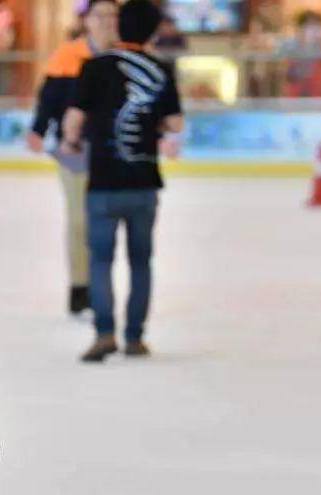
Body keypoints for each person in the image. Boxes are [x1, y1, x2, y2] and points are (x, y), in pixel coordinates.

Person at [61, 0, 184, 362]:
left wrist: (72, 142)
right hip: (144, 182)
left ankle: (104, 332)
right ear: (153, 30)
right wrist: (155, 125)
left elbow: (73, 120)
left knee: (100, 260)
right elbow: (175, 124)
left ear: (119, 28)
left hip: (102, 183)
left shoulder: (95, 67)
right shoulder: (161, 70)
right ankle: (135, 337)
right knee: (141, 261)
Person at [26, 0, 118, 315]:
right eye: (99, 15)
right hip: (74, 150)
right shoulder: (68, 55)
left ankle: (100, 283)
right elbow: (48, 99)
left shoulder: (124, 56)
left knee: (104, 220)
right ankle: (80, 286)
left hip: (113, 151)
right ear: (86, 21)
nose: (107, 21)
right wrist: (38, 129)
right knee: (79, 220)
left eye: (112, 15)